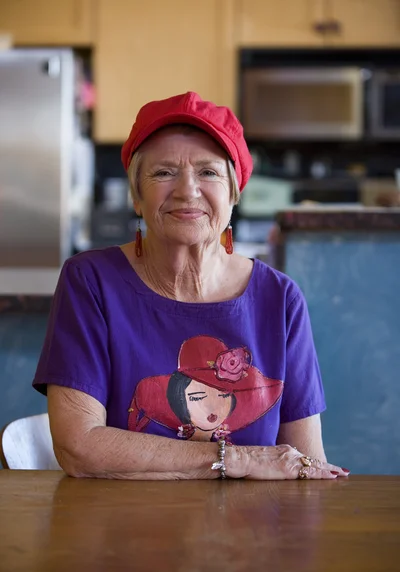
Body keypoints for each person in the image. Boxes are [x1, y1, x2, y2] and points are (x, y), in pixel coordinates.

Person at [33, 91, 349, 481]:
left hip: (251, 535)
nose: (187, 190)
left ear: (234, 192)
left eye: (208, 172)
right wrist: (236, 460)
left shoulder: (280, 299)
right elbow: (78, 447)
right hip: (121, 532)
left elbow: (304, 464)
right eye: (163, 172)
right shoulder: (91, 281)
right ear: (136, 195)